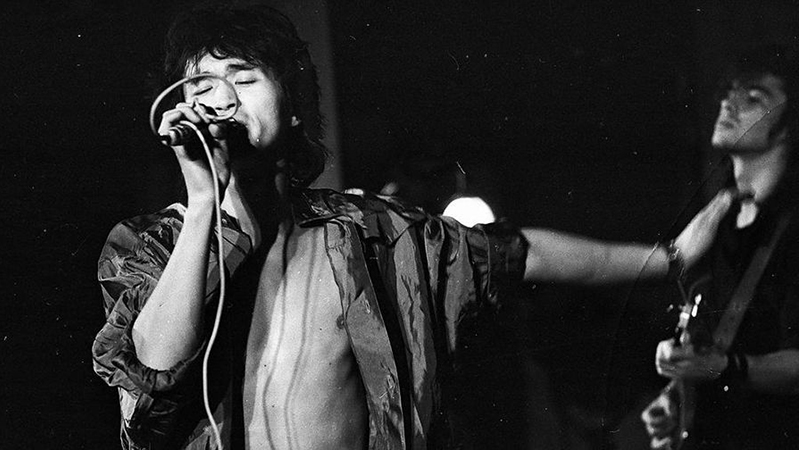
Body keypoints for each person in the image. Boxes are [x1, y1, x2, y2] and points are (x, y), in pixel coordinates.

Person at [91, 4, 732, 449]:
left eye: (244, 77)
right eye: (202, 83)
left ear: (292, 108)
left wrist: (670, 257)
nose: (220, 98)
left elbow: (516, 253)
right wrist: (206, 205)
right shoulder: (152, 245)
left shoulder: (369, 236)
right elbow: (153, 372)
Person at [641, 44, 799, 449]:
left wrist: (724, 368)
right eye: (729, 92)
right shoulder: (714, 223)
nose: (729, 103)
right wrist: (677, 397)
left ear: (788, 127)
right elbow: (717, 341)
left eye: (754, 98)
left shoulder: (791, 225)